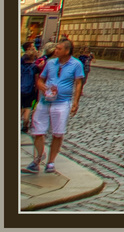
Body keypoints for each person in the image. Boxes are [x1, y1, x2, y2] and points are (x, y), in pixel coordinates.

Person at [25, 39, 85, 175]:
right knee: (37, 131)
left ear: (67, 51)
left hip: (62, 102)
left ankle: (51, 162)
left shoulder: (76, 64)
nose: (55, 50)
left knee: (58, 133)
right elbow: (41, 78)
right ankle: (38, 158)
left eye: (58, 48)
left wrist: (75, 102)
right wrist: (40, 84)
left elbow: (78, 83)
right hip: (45, 101)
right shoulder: (51, 63)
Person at [20, 41, 41, 134]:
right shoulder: (34, 67)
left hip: (20, 89)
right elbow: (36, 81)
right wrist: (37, 90)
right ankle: (25, 124)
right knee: (28, 107)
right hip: (30, 90)